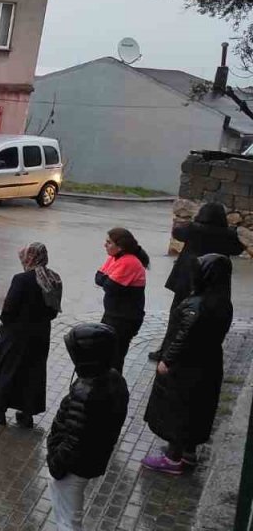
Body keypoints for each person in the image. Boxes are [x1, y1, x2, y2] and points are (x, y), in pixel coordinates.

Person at [142, 254, 235, 475]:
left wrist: (167, 359)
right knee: (198, 408)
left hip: (185, 367)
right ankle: (188, 453)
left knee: (179, 409)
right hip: (209, 363)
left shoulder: (198, 304)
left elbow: (183, 335)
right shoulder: (222, 302)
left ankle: (173, 458)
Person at [46, 323, 130, 531]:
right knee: (70, 514)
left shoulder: (86, 393)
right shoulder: (114, 380)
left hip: (73, 468)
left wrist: (56, 465)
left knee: (68, 520)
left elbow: (73, 440)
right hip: (91, 460)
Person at [150, 202, 244, 361]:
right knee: (206, 316)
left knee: (177, 315)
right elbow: (237, 249)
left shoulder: (193, 229)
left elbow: (177, 232)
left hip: (187, 278)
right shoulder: (228, 234)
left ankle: (166, 351)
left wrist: (193, 221)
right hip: (214, 281)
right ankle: (197, 351)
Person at [0, 243, 62, 428]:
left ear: (30, 258)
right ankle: (27, 415)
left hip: (17, 334)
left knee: (8, 370)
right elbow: (53, 311)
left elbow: (9, 309)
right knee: (33, 372)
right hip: (41, 334)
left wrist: (6, 325)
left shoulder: (22, 279)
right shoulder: (54, 279)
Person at [95, 228, 149, 372]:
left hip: (124, 318)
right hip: (113, 314)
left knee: (114, 357)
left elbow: (110, 286)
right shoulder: (115, 257)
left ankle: (113, 383)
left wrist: (106, 278)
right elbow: (98, 278)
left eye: (109, 242)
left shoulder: (129, 262)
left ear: (120, 246)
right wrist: (106, 279)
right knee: (104, 352)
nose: (105, 245)